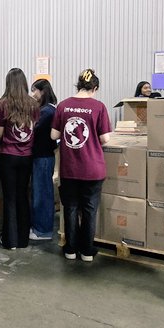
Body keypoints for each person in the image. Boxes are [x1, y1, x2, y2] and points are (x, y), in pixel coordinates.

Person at [51, 69, 112, 262]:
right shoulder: (99, 107)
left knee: (69, 208)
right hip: (93, 169)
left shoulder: (63, 106)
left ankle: (70, 249)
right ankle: (86, 251)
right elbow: (105, 138)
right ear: (95, 88)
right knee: (89, 210)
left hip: (69, 169)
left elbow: (53, 136)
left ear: (78, 85)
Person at [0, 68, 39, 250]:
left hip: (7, 155)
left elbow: (0, 133)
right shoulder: (33, 104)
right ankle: (23, 239)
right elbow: (33, 128)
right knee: (23, 195)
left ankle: (10, 240)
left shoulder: (2, 104)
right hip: (27, 156)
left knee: (9, 197)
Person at [29, 78, 58, 241]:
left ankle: (43, 230)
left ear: (43, 91)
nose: (33, 94)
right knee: (38, 192)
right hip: (41, 156)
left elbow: (34, 130)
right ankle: (38, 226)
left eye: (35, 90)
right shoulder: (45, 110)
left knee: (42, 194)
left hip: (43, 157)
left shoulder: (47, 112)